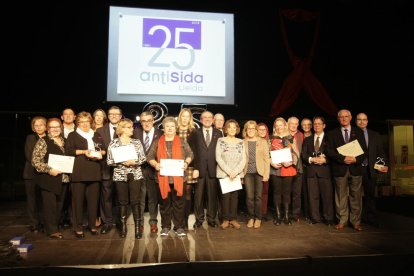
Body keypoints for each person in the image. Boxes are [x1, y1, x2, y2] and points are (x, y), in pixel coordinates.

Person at [147, 116, 193, 237]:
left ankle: (179, 227)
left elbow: (190, 154)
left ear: (175, 127)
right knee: (164, 205)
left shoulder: (182, 141)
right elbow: (149, 157)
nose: (170, 128)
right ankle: (165, 227)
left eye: (172, 126)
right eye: (167, 126)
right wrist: (155, 164)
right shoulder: (158, 141)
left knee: (179, 204)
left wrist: (186, 163)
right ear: (163, 128)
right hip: (163, 179)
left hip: (179, 179)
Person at [325, 109, 368, 231]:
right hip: (340, 168)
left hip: (355, 168)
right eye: (341, 117)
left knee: (356, 196)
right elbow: (329, 151)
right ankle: (342, 220)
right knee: (340, 196)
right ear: (338, 119)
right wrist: (342, 158)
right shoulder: (332, 133)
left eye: (346, 116)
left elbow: (365, 150)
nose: (343, 119)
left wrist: (356, 159)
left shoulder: (359, 132)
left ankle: (355, 221)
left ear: (350, 117)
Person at [66, 111, 105, 238]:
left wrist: (101, 154)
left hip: (94, 172)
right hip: (79, 173)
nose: (84, 124)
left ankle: (92, 226)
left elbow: (103, 149)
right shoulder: (73, 135)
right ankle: (78, 227)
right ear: (77, 123)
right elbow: (69, 151)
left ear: (90, 122)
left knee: (93, 202)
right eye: (81, 122)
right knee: (77, 202)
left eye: (87, 121)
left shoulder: (97, 135)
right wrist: (84, 151)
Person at [107, 118, 147, 239]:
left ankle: (137, 229)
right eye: (129, 127)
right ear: (122, 129)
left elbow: (143, 158)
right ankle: (123, 227)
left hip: (135, 174)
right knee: (122, 202)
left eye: (132, 127)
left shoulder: (136, 142)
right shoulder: (114, 143)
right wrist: (123, 162)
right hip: (120, 175)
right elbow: (109, 161)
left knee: (136, 201)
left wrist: (134, 162)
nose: (132, 129)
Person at [31, 118, 69, 239]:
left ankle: (55, 226)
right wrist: (49, 170)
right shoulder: (43, 141)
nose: (55, 129)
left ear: (61, 128)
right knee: (50, 206)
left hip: (64, 178)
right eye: (52, 127)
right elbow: (35, 161)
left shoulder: (65, 141)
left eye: (57, 126)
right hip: (49, 179)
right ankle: (52, 230)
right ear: (48, 129)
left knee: (59, 205)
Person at [189, 110, 222, 228]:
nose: (207, 119)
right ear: (201, 120)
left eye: (209, 117)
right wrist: (195, 167)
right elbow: (191, 151)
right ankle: (199, 219)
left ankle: (212, 219)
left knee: (212, 196)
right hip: (199, 169)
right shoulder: (195, 133)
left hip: (214, 169)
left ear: (213, 120)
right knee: (198, 197)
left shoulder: (218, 133)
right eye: (205, 118)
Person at [355, 112, 388, 227]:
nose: (362, 121)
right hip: (356, 169)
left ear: (367, 121)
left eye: (364, 119)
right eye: (359, 119)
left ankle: (371, 218)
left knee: (370, 196)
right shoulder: (351, 134)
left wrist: (384, 165)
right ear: (356, 121)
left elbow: (381, 152)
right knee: (355, 196)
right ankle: (356, 220)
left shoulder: (375, 135)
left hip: (370, 170)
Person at [133, 111, 163, 234]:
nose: (146, 123)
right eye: (144, 121)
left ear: (153, 121)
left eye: (149, 120)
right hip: (138, 169)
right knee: (139, 198)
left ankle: (153, 223)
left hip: (153, 170)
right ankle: (139, 223)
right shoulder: (135, 133)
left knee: (153, 199)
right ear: (141, 122)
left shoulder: (161, 134)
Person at [301, 116, 334, 225]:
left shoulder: (330, 138)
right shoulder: (308, 139)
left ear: (324, 125)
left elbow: (334, 154)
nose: (316, 126)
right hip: (311, 172)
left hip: (325, 171)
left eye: (319, 124)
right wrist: (310, 159)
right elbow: (303, 155)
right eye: (315, 124)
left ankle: (328, 218)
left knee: (327, 197)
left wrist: (325, 160)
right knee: (312, 196)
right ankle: (315, 218)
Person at [96, 106, 123, 234]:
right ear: (108, 115)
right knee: (106, 197)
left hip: (122, 169)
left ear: (120, 116)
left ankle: (120, 222)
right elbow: (97, 149)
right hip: (105, 169)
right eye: (111, 114)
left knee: (120, 198)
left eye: (116, 114)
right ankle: (107, 222)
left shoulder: (126, 129)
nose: (114, 116)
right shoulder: (100, 130)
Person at [215, 119, 246, 230]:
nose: (232, 129)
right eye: (230, 127)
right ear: (226, 129)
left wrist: (236, 172)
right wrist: (229, 171)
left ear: (237, 129)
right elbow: (218, 157)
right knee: (225, 197)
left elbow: (243, 159)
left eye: (234, 127)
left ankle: (233, 219)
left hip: (237, 174)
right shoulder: (220, 140)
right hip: (224, 174)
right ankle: (225, 220)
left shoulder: (241, 142)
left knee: (234, 197)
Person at [269, 117, 298, 226]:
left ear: (285, 125)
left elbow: (296, 153)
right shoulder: (270, 138)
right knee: (276, 193)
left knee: (286, 193)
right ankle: (278, 216)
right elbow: (266, 153)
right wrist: (271, 162)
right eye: (276, 125)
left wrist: (291, 162)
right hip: (275, 168)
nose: (278, 127)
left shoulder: (290, 137)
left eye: (280, 125)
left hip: (288, 168)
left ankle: (286, 216)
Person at [242, 120, 270, 229]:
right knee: (249, 197)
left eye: (253, 128)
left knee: (258, 197)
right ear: (246, 130)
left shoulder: (262, 141)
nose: (251, 130)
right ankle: (251, 217)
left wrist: (266, 174)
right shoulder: (243, 142)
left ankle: (258, 218)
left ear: (256, 130)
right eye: (249, 128)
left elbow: (266, 159)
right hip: (247, 172)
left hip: (260, 173)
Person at [23, 116, 47, 232]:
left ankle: (44, 221)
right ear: (33, 127)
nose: (38, 127)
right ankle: (34, 223)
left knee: (43, 199)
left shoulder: (50, 138)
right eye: (36, 125)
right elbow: (29, 156)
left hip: (45, 174)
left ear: (46, 126)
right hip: (31, 173)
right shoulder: (30, 138)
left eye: (41, 125)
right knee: (32, 199)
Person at [176, 108, 198, 231]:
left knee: (188, 192)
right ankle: (177, 222)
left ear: (190, 118)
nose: (185, 119)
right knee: (178, 193)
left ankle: (185, 222)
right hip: (176, 166)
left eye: (187, 117)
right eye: (183, 116)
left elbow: (197, 151)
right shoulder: (175, 130)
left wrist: (197, 168)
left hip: (189, 166)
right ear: (180, 118)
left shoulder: (194, 132)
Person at [287, 116, 305, 222]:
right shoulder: (284, 135)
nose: (294, 125)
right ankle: (286, 213)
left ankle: (295, 214)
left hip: (298, 168)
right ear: (287, 124)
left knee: (297, 193)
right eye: (291, 123)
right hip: (286, 168)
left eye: (296, 124)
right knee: (286, 193)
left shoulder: (301, 135)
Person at [257, 123, 271, 220]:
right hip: (257, 170)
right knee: (257, 193)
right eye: (260, 129)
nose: (262, 131)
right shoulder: (254, 141)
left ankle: (263, 212)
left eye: (264, 130)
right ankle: (257, 213)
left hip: (268, 169)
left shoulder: (270, 141)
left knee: (265, 192)